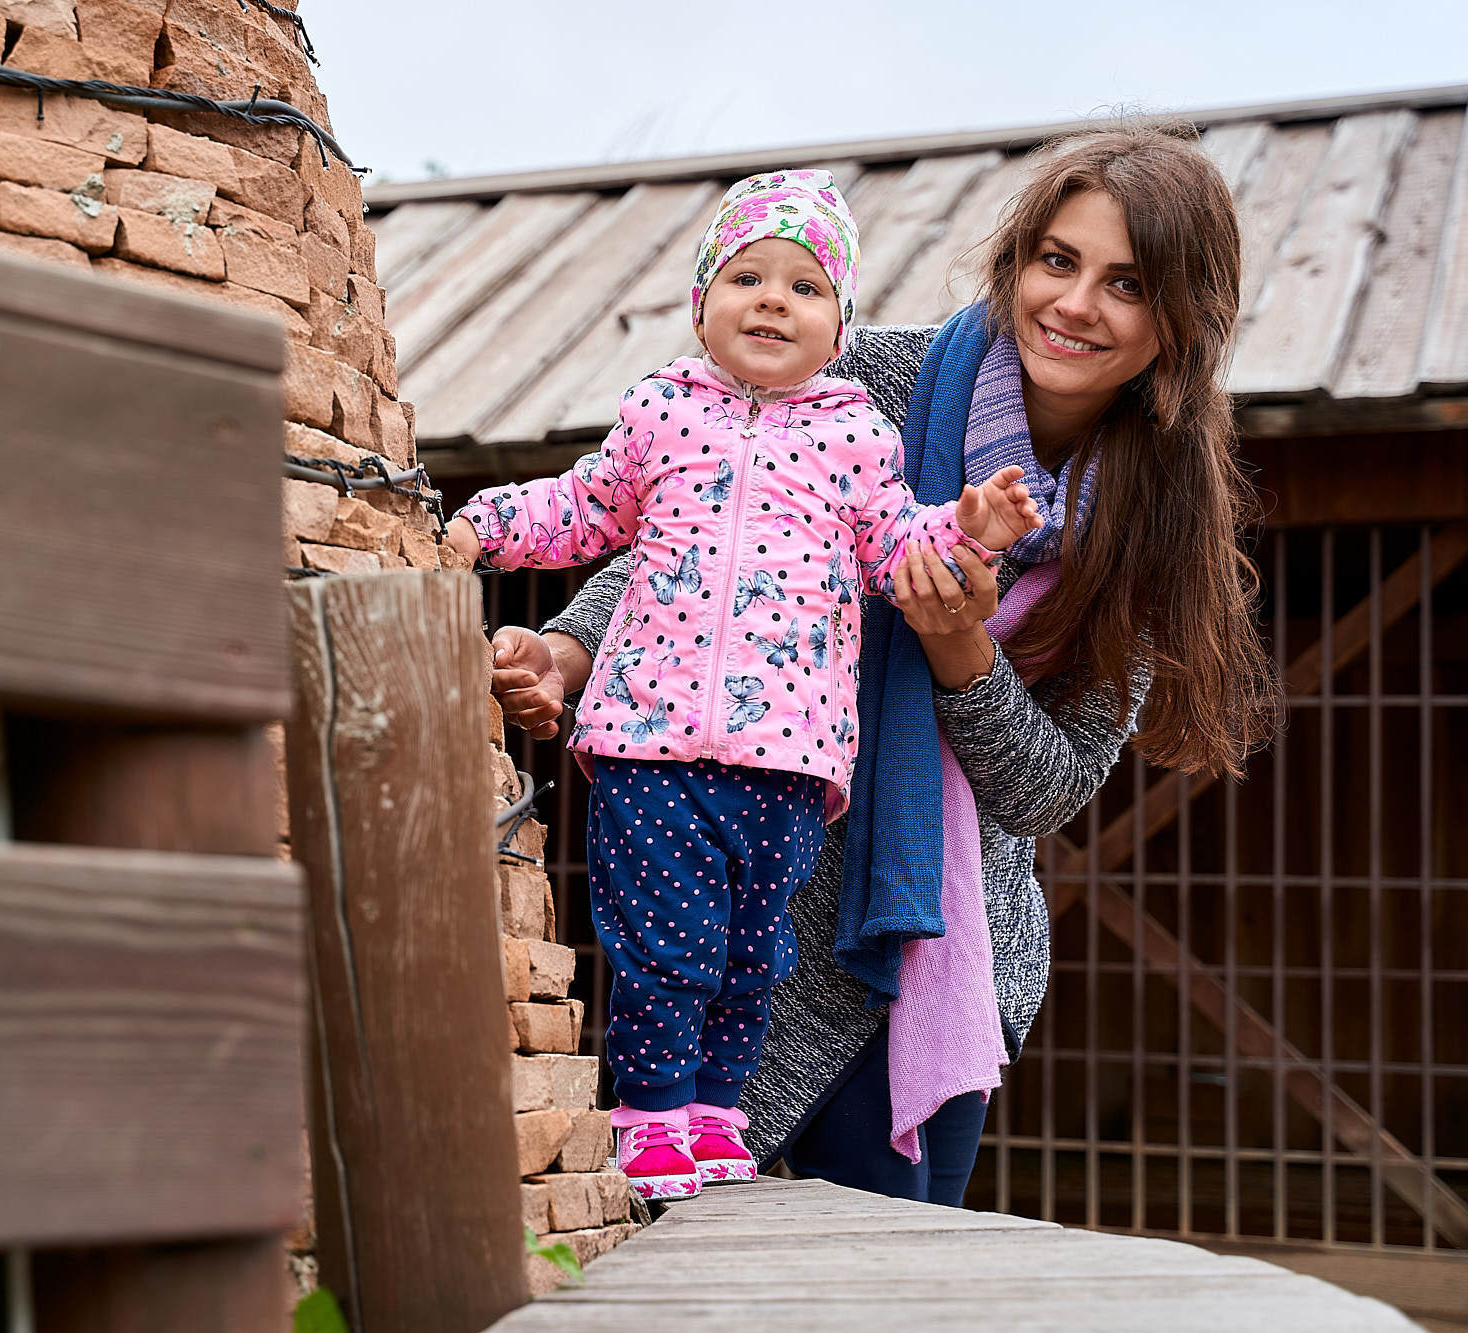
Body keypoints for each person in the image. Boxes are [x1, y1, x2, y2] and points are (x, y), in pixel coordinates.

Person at [486, 124, 1280, 1206]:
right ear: (1016, 263)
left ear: (1180, 322)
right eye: (1057, 260)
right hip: (753, 901)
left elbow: (1044, 788)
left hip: (941, 959)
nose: (1075, 304)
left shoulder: (1149, 525)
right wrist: (571, 649)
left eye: (1126, 282)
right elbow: (689, 524)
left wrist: (960, 650)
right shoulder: (865, 380)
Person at [440, 170, 1045, 1201]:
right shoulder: (659, 414)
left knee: (754, 951)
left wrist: (966, 527)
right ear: (701, 305)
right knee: (664, 945)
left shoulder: (858, 439)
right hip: (648, 742)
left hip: (789, 757)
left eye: (806, 288)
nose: (773, 299)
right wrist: (481, 527)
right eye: (748, 277)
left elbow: (896, 541)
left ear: (839, 326)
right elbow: (583, 512)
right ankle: (652, 1118)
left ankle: (716, 1112)